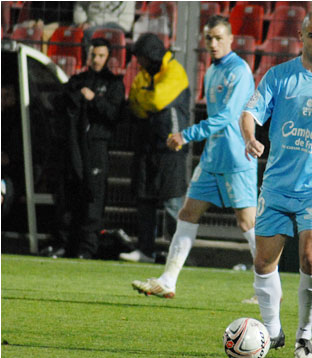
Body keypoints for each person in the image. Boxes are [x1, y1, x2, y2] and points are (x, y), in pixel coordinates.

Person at [240, 10, 312, 358]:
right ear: (301, 36)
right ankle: (272, 330)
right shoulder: (279, 76)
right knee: (263, 262)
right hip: (277, 185)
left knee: (310, 259)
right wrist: (250, 138)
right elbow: (249, 113)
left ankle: (304, 336)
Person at [131, 16, 257, 298]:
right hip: (213, 157)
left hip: (237, 157)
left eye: (218, 38)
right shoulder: (212, 71)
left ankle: (268, 288)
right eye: (209, 38)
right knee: (188, 213)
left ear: (230, 39)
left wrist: (186, 135)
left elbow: (226, 117)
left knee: (247, 223)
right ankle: (168, 280)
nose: (213, 43)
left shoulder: (239, 70)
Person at [40, 37, 124, 259]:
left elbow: (113, 114)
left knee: (92, 200)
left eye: (101, 56)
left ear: (108, 58)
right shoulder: (76, 81)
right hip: (73, 147)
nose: (96, 59)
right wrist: (76, 96)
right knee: (68, 196)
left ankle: (86, 250)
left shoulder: (114, 83)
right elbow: (57, 101)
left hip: (96, 148)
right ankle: (63, 244)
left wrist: (93, 99)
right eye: (93, 55)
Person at [119, 33, 189, 263]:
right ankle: (145, 250)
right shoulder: (144, 75)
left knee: (172, 203)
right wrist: (144, 100)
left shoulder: (175, 71)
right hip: (147, 145)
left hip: (171, 147)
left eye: (141, 58)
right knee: (144, 199)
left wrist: (145, 99)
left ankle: (180, 255)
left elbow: (156, 99)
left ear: (151, 56)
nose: (139, 63)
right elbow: (135, 103)